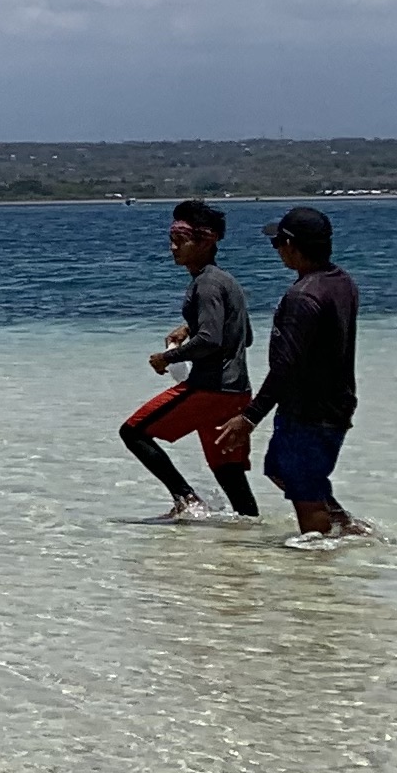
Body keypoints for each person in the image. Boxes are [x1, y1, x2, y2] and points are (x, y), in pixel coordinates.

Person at [123, 200, 260, 522]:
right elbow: (245, 337)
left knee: (133, 432)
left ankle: (187, 500)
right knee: (228, 472)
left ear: (206, 240)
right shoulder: (226, 281)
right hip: (237, 392)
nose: (173, 248)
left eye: (180, 241)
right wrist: (191, 327)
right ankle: (249, 538)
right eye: (172, 240)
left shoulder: (206, 284)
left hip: (210, 390)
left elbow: (211, 341)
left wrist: (167, 357)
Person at [247, 204, 369, 544]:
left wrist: (249, 417)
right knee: (279, 469)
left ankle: (319, 569)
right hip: (333, 403)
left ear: (291, 245)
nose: (277, 251)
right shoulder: (342, 281)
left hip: (309, 410)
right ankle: (346, 525)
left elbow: (285, 367)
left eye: (277, 244)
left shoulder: (303, 297)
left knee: (304, 489)